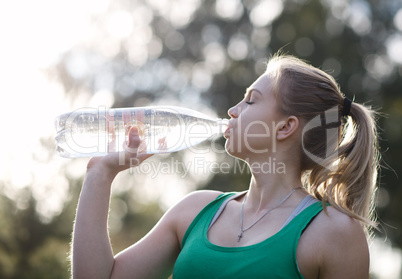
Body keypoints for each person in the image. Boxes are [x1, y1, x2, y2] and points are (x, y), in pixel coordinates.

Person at [71, 53, 379, 279]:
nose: (232, 110)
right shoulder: (194, 211)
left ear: (285, 127)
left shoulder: (333, 232)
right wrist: (100, 173)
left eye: (250, 100)